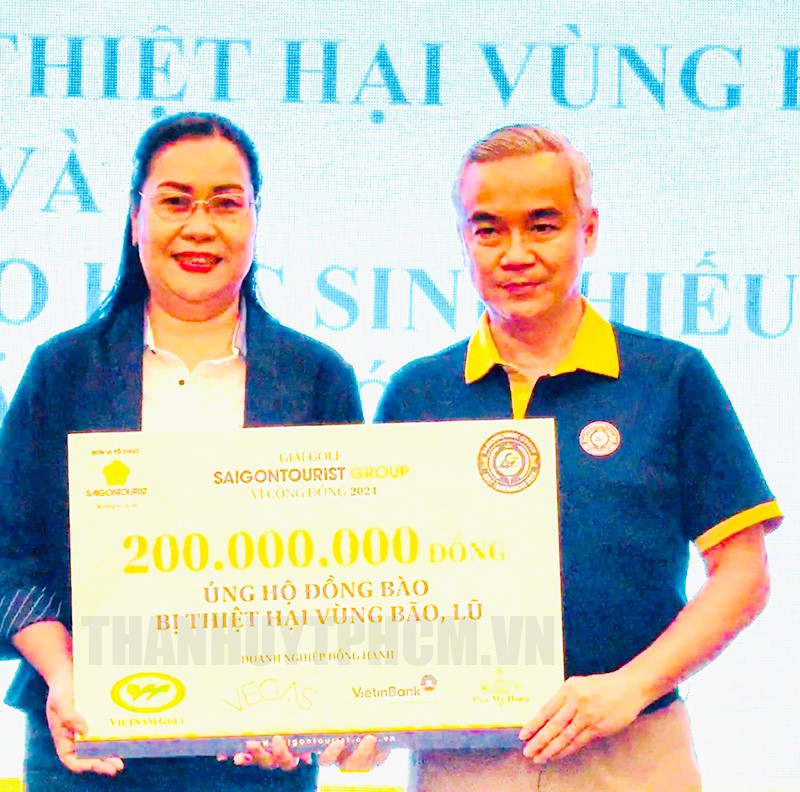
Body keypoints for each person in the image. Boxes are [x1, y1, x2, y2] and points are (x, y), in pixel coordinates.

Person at [374, 125, 783, 791]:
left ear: (587, 231)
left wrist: (630, 687)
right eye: (488, 230)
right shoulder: (418, 393)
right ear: (463, 240)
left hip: (634, 748)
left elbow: (744, 574)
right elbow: (375, 584)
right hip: (463, 758)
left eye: (542, 226)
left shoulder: (670, 377)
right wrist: (354, 709)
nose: (516, 254)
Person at [0, 112, 385, 791]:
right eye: (175, 202)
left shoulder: (316, 378)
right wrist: (64, 673)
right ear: (135, 218)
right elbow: (12, 550)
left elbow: (353, 566)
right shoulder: (63, 371)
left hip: (261, 749)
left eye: (226, 204)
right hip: (89, 744)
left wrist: (318, 700)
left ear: (256, 220)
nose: (200, 227)